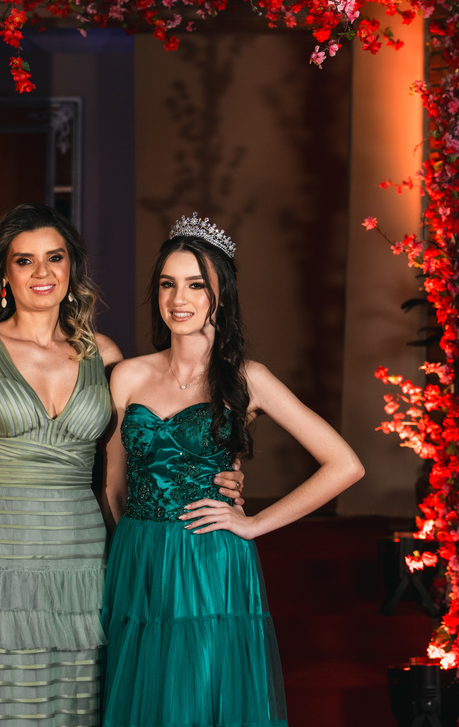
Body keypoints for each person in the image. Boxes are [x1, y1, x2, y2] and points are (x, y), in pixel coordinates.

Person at [0, 203, 242, 726]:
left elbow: (148, 446)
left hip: (82, 560)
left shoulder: (105, 355)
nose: (41, 272)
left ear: (72, 267)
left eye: (54, 257)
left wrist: (218, 474)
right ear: (5, 273)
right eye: (24, 260)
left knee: (69, 712)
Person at [101, 213, 365, 727]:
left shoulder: (248, 379)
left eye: (196, 284)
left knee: (197, 699)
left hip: (209, 559)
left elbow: (344, 465)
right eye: (168, 284)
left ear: (220, 294)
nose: (179, 298)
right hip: (137, 557)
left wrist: (253, 523)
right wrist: (128, 554)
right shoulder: (127, 376)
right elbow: (112, 486)